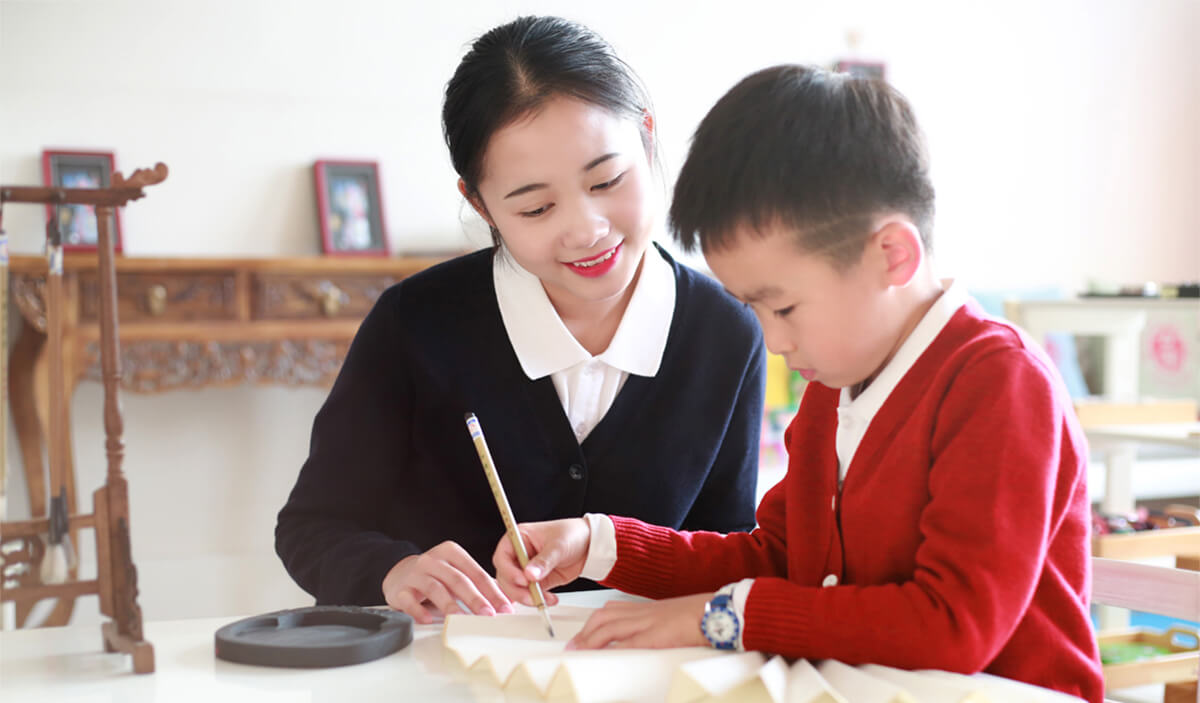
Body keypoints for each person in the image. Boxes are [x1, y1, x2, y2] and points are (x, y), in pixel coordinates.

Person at [493, 64, 1104, 702]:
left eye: (782, 308)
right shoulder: (833, 385)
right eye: (752, 308)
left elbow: (952, 624)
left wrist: (719, 619)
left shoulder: (998, 382)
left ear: (892, 254)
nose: (772, 340)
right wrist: (601, 543)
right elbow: (781, 560)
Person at [274, 16, 765, 626]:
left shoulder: (727, 335)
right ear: (480, 204)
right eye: (536, 207)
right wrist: (390, 570)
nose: (587, 229)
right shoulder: (416, 323)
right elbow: (312, 526)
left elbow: (728, 556)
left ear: (647, 135)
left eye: (607, 180)